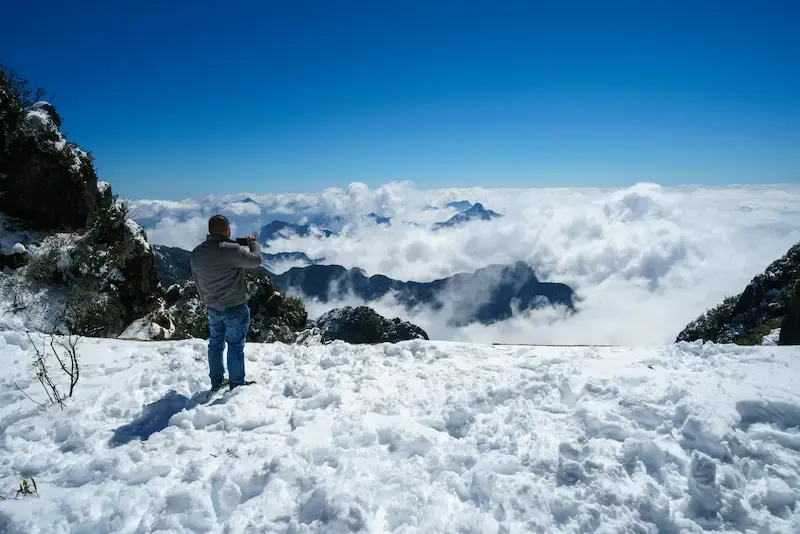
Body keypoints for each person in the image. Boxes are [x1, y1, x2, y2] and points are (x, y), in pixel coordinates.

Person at [190, 214, 262, 391]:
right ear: (227, 230)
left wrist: (205, 299)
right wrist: (253, 243)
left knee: (215, 344)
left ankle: (216, 382)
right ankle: (236, 384)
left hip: (213, 306)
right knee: (235, 345)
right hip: (235, 306)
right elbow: (256, 261)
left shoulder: (197, 252)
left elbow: (197, 280)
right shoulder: (232, 249)